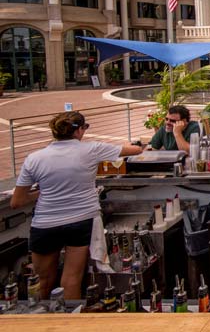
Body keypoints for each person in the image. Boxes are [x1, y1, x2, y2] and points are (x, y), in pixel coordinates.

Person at [10, 111, 142, 300]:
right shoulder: (91, 149)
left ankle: (38, 320)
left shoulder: (35, 158)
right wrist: (137, 146)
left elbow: (17, 201)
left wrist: (46, 191)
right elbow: (134, 151)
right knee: (71, 279)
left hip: (45, 223)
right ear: (80, 130)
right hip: (80, 220)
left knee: (42, 281)